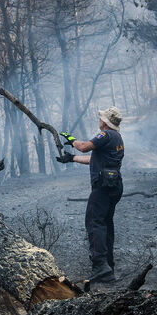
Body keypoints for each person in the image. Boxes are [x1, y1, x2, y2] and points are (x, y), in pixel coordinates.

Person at [57, 106, 124, 283]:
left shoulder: (106, 135)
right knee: (106, 224)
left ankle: (100, 266)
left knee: (94, 222)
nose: (99, 120)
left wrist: (72, 140)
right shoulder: (117, 138)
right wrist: (71, 158)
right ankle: (108, 268)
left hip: (102, 187)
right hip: (114, 185)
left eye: (101, 118)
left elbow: (85, 147)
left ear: (106, 122)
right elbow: (92, 159)